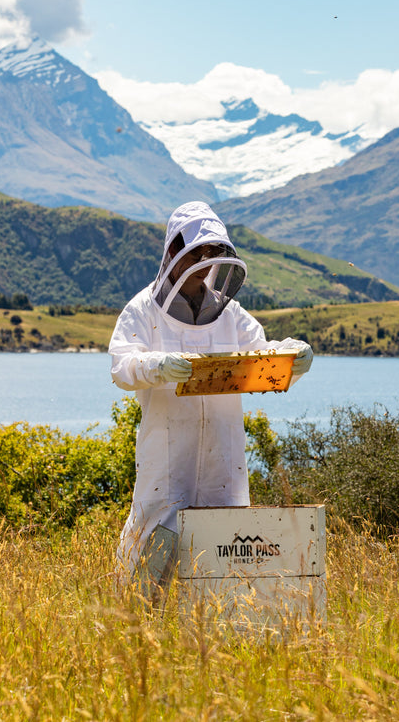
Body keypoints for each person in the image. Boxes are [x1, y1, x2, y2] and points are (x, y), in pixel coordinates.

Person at [109, 201, 313, 585]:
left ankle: (212, 639)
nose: (203, 266)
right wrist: (158, 366)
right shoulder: (142, 310)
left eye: (210, 256)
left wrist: (291, 358)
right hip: (167, 460)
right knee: (151, 561)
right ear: (173, 253)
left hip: (224, 459)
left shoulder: (230, 315)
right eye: (196, 256)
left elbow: (261, 356)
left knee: (224, 564)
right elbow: (121, 367)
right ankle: (133, 632)